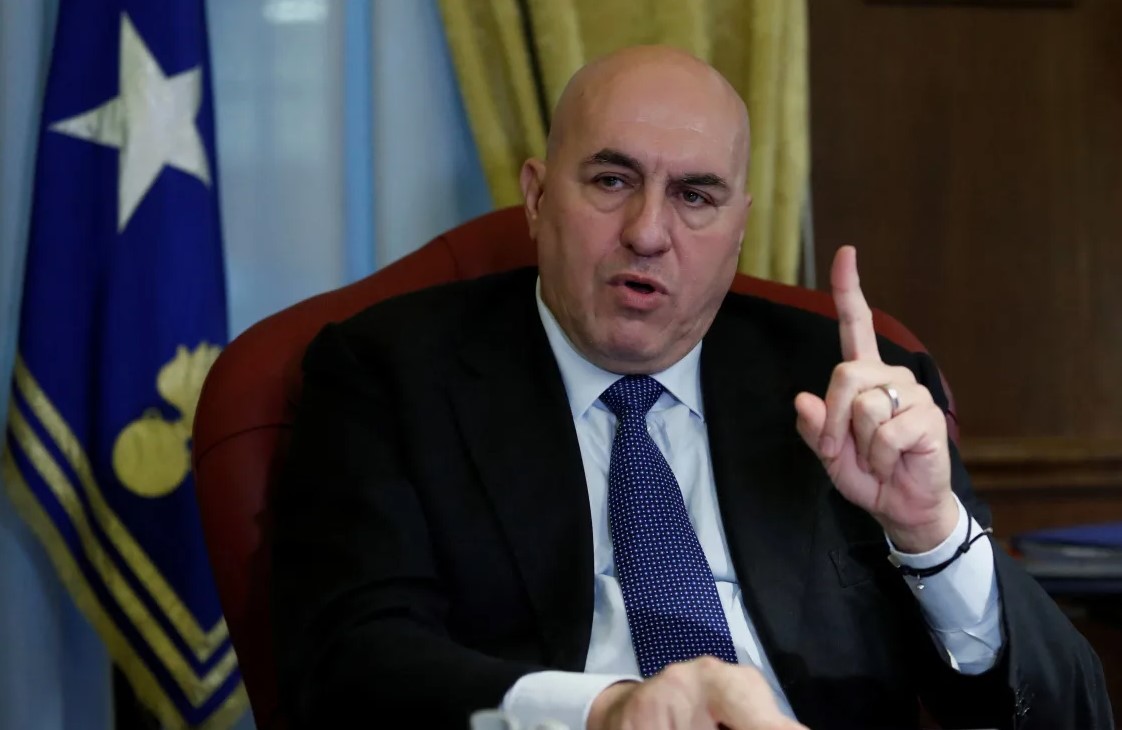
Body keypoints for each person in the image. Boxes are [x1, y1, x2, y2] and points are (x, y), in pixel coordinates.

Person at [270, 46, 1111, 730]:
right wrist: (607, 711)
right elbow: (346, 664)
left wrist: (930, 533)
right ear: (536, 196)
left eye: (696, 196)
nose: (647, 233)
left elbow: (1066, 709)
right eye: (611, 181)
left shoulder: (848, 386)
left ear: (739, 227)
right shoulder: (388, 373)